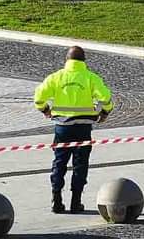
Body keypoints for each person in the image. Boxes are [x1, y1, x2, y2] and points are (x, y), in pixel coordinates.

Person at [34, 46, 113, 214]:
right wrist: (105, 112)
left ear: (67, 60)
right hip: (83, 128)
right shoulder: (91, 77)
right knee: (80, 164)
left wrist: (45, 109)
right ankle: (76, 202)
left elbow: (38, 97)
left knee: (59, 162)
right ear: (84, 61)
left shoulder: (56, 77)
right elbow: (105, 98)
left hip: (62, 128)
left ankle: (56, 200)